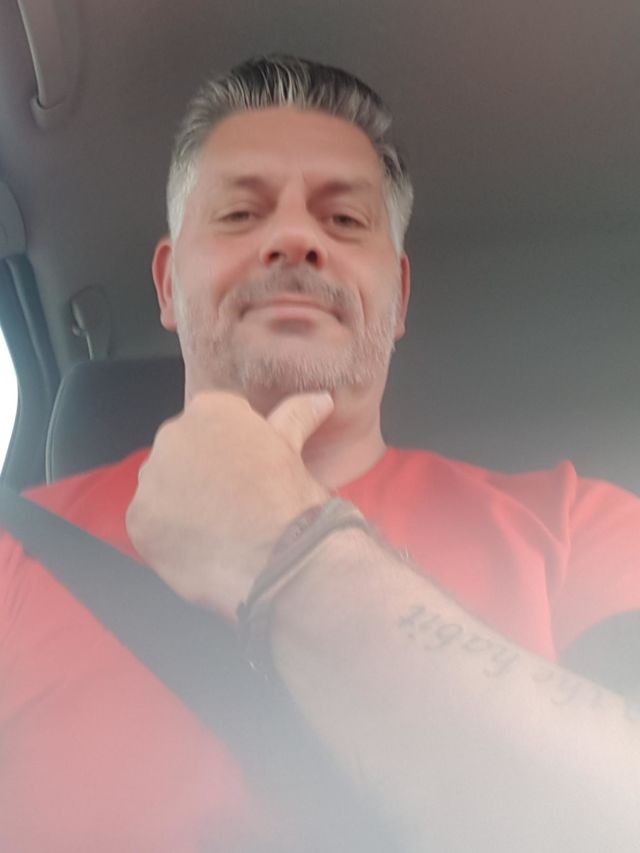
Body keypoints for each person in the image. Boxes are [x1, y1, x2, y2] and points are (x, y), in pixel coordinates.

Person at [2, 55, 640, 852]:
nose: (296, 238)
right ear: (167, 286)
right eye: (241, 213)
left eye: (344, 220)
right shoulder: (15, 549)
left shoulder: (586, 527)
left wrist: (288, 546)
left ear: (398, 296)